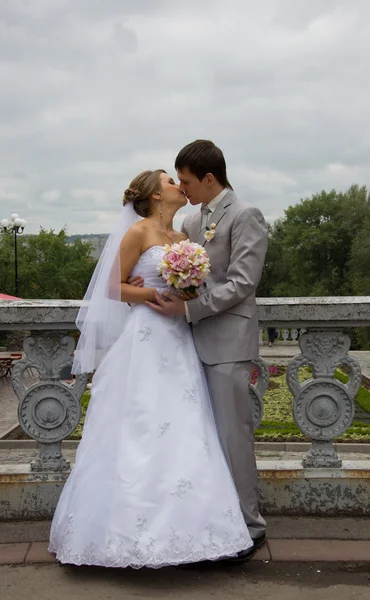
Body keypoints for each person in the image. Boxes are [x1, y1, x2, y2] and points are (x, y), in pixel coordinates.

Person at [48, 169, 253, 569]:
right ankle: (123, 534)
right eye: (170, 181)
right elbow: (112, 287)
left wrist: (188, 289)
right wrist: (149, 292)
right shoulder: (139, 232)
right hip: (145, 338)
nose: (179, 185)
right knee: (139, 426)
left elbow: (193, 290)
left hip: (179, 339)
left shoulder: (184, 238)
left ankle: (195, 532)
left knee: (185, 427)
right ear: (155, 195)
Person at [139, 141, 268, 560]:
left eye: (189, 181)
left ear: (210, 178)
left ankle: (250, 528)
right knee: (202, 443)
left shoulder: (246, 215)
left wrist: (189, 309)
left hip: (228, 341)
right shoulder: (194, 219)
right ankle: (214, 524)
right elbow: (177, 267)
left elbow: (242, 283)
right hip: (187, 346)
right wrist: (147, 288)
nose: (184, 188)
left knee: (233, 437)